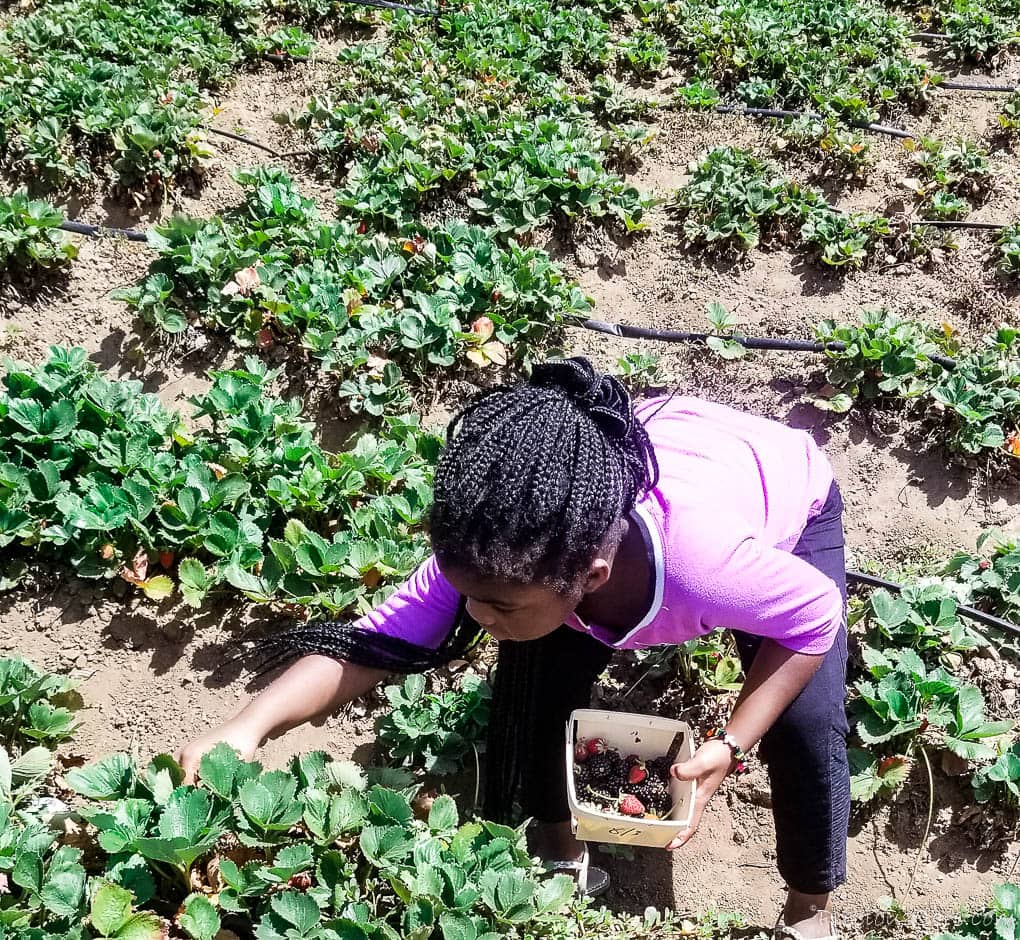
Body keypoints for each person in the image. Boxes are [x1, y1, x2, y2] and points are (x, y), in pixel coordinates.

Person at [177, 356, 848, 940]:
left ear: (590, 579)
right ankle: (560, 850)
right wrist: (246, 729)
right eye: (469, 594)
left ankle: (808, 906)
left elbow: (815, 620)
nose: (473, 617)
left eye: (496, 605)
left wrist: (730, 745)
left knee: (804, 722)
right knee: (535, 693)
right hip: (662, 455)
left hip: (782, 489)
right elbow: (374, 643)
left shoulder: (709, 570)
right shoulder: (517, 549)